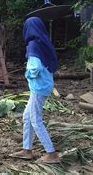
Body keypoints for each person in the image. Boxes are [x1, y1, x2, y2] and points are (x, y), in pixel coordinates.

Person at [10, 17, 60, 164]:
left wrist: (27, 74)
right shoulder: (43, 42)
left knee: (35, 119)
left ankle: (51, 153)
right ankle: (27, 150)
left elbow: (35, 68)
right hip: (45, 84)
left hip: (39, 87)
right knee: (27, 116)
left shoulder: (32, 45)